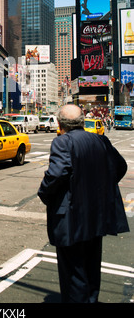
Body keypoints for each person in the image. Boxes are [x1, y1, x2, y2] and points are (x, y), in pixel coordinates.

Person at [38, 104, 129, 303]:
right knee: (91, 267)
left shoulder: (62, 142)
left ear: (60, 125)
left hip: (71, 217)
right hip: (97, 215)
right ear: (82, 122)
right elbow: (120, 166)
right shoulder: (101, 140)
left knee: (73, 273)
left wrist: (44, 193)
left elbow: (56, 174)